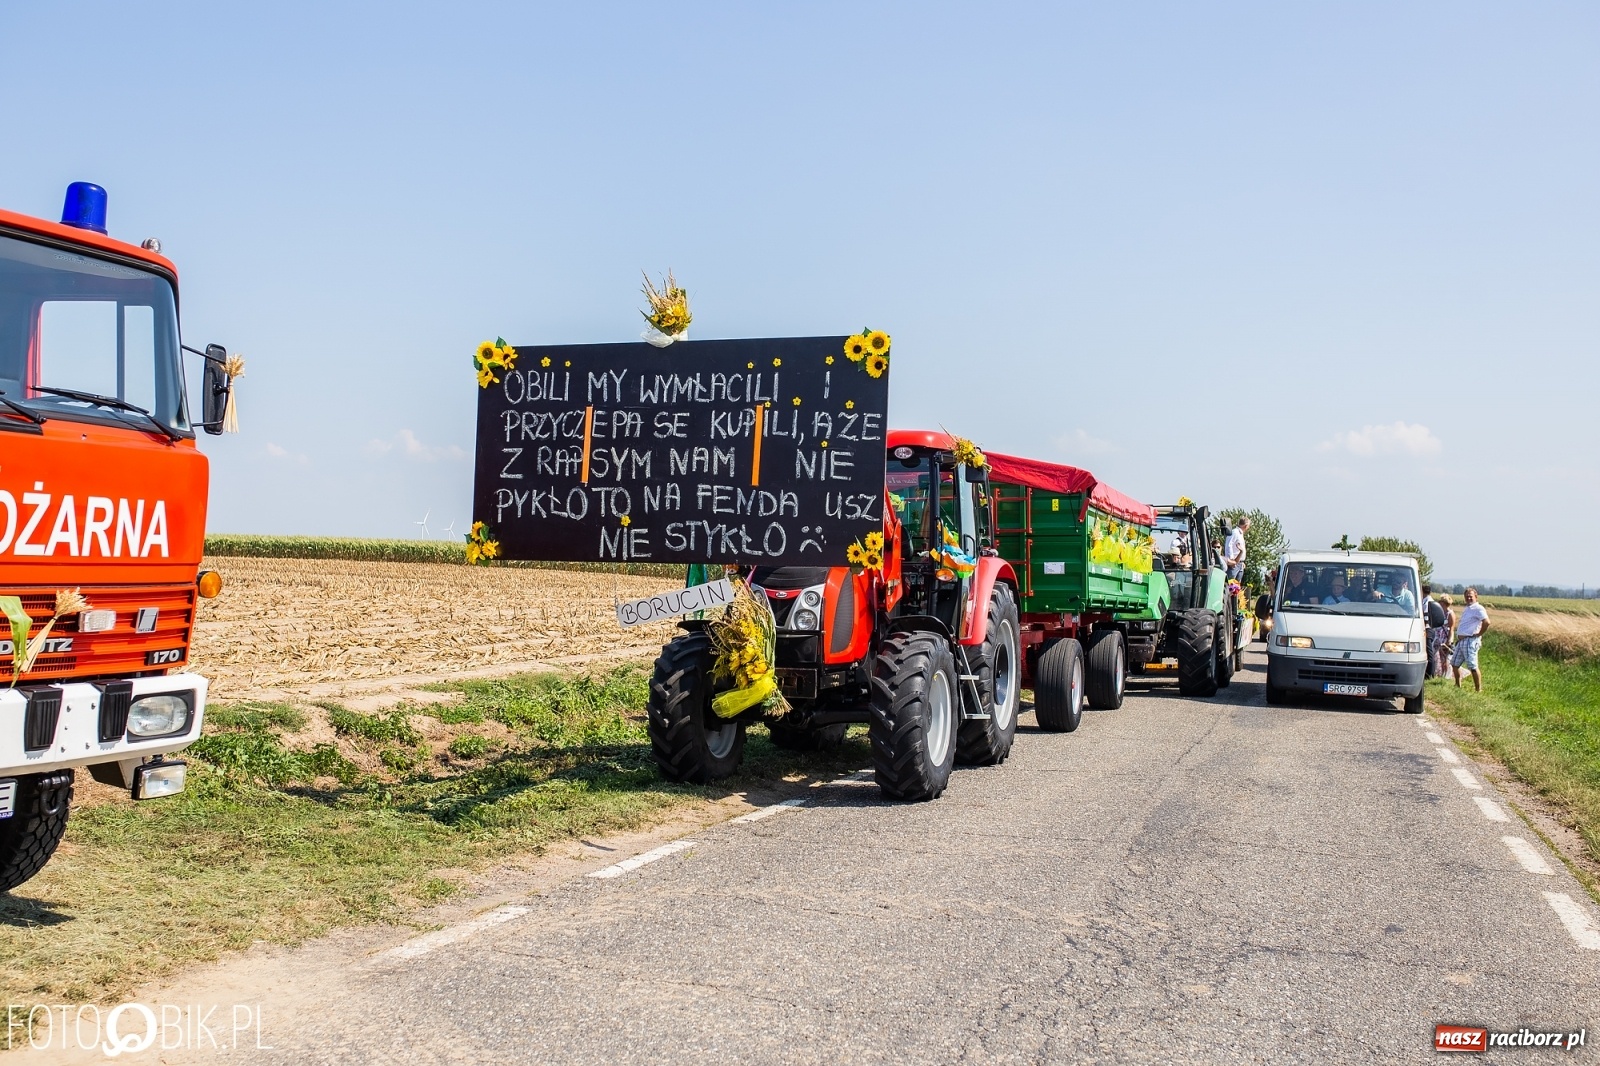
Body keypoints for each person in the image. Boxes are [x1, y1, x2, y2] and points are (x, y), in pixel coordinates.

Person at [1452, 587, 1491, 691]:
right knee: (1454, 664)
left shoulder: (1478, 608)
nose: (1468, 598)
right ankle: (1457, 685)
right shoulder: (1468, 608)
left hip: (1470, 640)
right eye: (1467, 596)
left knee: (1472, 666)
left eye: (1471, 596)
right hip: (1461, 641)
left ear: (1476, 596)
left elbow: (1487, 622)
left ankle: (1478, 689)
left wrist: (1479, 634)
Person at [1422, 584, 1448, 677]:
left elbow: (1425, 617)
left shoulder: (1427, 602)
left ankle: (1430, 673)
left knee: (1429, 652)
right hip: (1429, 628)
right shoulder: (1426, 601)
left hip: (1428, 628)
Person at [1223, 517, 1250, 581]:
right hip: (1234, 563)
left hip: (1239, 564)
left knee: (1237, 587)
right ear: (1246, 526)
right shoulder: (1235, 532)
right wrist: (1231, 560)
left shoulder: (1240, 534)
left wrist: (1242, 561)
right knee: (1230, 584)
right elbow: (1229, 545)